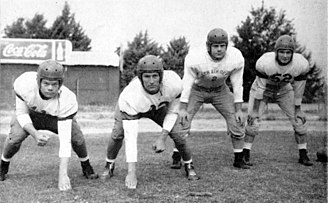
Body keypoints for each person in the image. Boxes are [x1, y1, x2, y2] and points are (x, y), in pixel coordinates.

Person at [100, 55, 199, 189]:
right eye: (147, 76)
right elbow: (131, 138)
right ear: (140, 78)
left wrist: (162, 137)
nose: (151, 81)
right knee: (118, 134)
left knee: (178, 133)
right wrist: (131, 173)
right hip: (134, 107)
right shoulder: (131, 95)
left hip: (157, 107)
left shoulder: (174, 84)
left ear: (161, 76)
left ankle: (188, 164)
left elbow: (173, 111)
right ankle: (109, 164)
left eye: (155, 76)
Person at [0, 60, 99, 191]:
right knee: (15, 136)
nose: (50, 88)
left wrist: (63, 175)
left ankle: (86, 165)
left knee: (76, 138)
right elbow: (22, 113)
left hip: (56, 117)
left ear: (60, 83)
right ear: (38, 81)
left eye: (54, 84)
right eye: (46, 83)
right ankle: (3, 164)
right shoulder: (24, 84)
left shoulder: (67, 98)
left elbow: (65, 141)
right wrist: (34, 133)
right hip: (31, 114)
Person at [176, 27, 249, 169]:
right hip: (197, 90)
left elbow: (237, 83)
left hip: (220, 90)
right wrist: (183, 108)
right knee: (182, 121)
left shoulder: (235, 57)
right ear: (208, 46)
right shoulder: (195, 58)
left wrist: (239, 109)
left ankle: (239, 158)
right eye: (216, 46)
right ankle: (176, 155)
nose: (220, 49)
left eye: (222, 46)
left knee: (237, 119)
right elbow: (187, 83)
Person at [243, 35, 313, 166]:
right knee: (253, 120)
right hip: (263, 90)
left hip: (284, 90)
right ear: (276, 52)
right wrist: (254, 111)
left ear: (293, 53)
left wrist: (298, 110)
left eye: (288, 52)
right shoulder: (266, 62)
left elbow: (299, 89)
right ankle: (245, 153)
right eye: (282, 52)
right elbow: (260, 88)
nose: (285, 56)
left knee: (299, 121)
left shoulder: (300, 64)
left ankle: (303, 154)